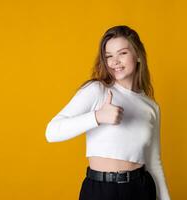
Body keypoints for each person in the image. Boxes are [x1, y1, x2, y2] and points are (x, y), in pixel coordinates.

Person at [45, 25, 171, 200]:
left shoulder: (151, 107)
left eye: (122, 53)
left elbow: (154, 162)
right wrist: (97, 117)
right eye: (109, 56)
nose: (115, 62)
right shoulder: (98, 90)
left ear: (138, 55)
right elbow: (51, 132)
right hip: (100, 191)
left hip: (141, 189)